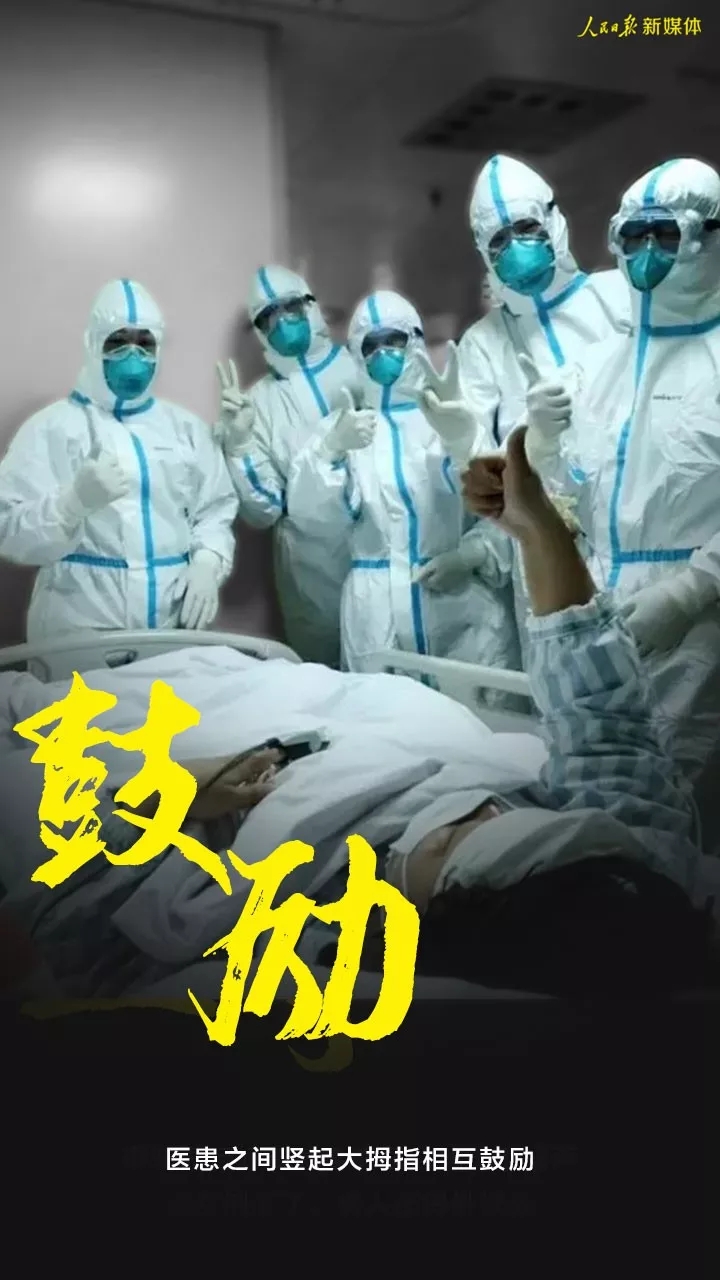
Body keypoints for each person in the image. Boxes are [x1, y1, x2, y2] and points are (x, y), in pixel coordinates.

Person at [335, 428, 710, 995]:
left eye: (452, 841)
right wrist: (537, 527)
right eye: (512, 817)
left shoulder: (304, 874)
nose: (487, 807)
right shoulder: (638, 859)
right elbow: (602, 729)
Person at [530, 158, 720, 851]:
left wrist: (691, 591)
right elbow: (569, 491)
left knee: (680, 811)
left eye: (665, 236)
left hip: (699, 622)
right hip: (600, 609)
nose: (646, 253)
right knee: (592, 805)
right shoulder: (598, 363)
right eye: (632, 236)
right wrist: (541, 442)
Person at [408, 154, 632, 665]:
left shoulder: (619, 298)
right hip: (540, 557)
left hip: (636, 543)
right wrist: (462, 443)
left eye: (527, 228)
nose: (515, 247)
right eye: (499, 240)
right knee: (564, 695)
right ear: (483, 253)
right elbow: (485, 483)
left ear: (554, 219)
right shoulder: (484, 343)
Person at [285, 290, 520, 686]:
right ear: (356, 354)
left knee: (476, 718)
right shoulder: (343, 428)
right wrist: (331, 452)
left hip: (461, 606)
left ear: (415, 341)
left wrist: (473, 554)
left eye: (394, 340)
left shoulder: (450, 417)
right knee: (385, 719)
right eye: (370, 345)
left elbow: (502, 502)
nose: (383, 353)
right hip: (376, 613)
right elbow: (312, 521)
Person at [0, 279, 237, 641]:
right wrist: (71, 504)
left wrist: (207, 563)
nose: (133, 355)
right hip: (77, 631)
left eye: (145, 343)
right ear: (94, 344)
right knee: (79, 682)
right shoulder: (50, 429)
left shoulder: (185, 429)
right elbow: (8, 530)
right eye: (118, 341)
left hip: (172, 626)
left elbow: (215, 509)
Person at [214, 265, 362, 667]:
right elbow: (264, 511)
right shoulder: (258, 403)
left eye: (291, 307)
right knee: (328, 685)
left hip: (384, 551)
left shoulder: (362, 363)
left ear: (312, 307)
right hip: (312, 573)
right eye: (268, 317)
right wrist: (240, 444)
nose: (282, 322)